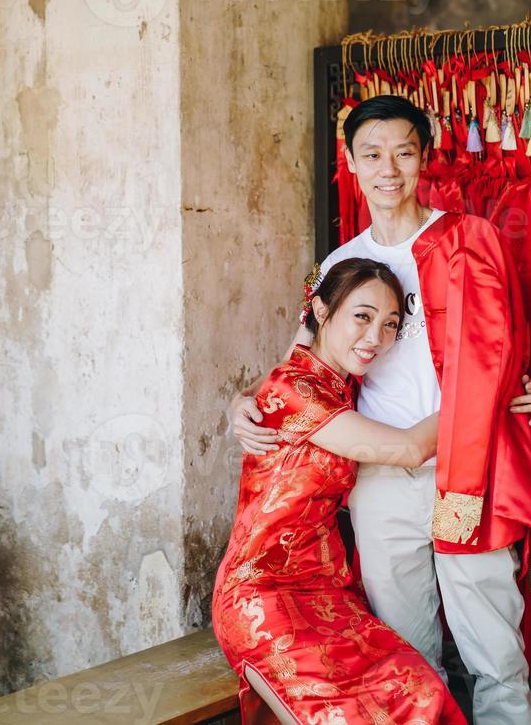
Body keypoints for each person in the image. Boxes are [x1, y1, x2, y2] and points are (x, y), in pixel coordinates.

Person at [232, 96, 531, 725]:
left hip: (468, 466)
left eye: (404, 153)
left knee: (493, 648)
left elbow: (497, 351)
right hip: (379, 473)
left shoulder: (466, 240)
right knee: (406, 655)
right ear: (349, 162)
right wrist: (243, 404)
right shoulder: (339, 263)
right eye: (372, 154)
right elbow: (303, 364)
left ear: (424, 158)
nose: (389, 169)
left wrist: (505, 399)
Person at [213, 258, 466, 725]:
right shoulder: (296, 389)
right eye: (362, 317)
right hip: (262, 593)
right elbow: (410, 449)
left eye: (390, 324)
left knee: (419, 688)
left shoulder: (339, 384)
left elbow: (285, 362)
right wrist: (480, 398)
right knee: (341, 715)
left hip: (328, 590)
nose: (375, 338)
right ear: (323, 311)